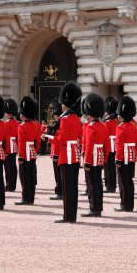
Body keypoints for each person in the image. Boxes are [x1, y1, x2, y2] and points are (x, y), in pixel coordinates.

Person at [54, 82, 82, 224]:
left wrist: (50, 138)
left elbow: (62, 139)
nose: (61, 106)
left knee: (67, 188)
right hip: (75, 155)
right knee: (73, 187)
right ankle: (72, 215)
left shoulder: (64, 119)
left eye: (63, 104)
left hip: (67, 155)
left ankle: (67, 216)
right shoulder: (77, 119)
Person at [81, 93, 110, 217]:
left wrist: (86, 162)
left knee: (92, 184)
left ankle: (94, 209)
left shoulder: (90, 127)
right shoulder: (103, 126)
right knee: (98, 182)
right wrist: (105, 158)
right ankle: (98, 208)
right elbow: (107, 146)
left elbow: (88, 146)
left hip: (91, 158)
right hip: (99, 157)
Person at [114, 95, 137, 212]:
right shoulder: (134, 127)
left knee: (123, 182)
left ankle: (124, 204)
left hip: (123, 157)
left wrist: (118, 159)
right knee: (129, 181)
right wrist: (133, 155)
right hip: (131, 156)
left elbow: (119, 145)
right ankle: (130, 205)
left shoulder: (120, 127)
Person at [15, 96, 41, 205]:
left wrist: (20, 156)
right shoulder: (35, 125)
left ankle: (26, 198)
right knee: (31, 176)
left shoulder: (22, 126)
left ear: (23, 114)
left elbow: (21, 143)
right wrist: (34, 150)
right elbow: (38, 141)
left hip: (24, 153)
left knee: (24, 177)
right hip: (32, 152)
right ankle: (31, 198)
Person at [42, 98, 63, 200]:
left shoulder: (61, 124)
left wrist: (47, 138)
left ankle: (60, 192)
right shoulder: (56, 124)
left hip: (58, 153)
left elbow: (58, 140)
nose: (54, 116)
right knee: (58, 173)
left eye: (56, 114)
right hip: (56, 152)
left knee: (59, 174)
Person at [103, 96, 118, 193]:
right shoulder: (116, 122)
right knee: (112, 167)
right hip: (115, 146)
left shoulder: (107, 123)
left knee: (107, 167)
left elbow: (104, 136)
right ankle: (112, 186)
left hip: (108, 146)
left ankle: (109, 186)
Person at [4, 98, 19, 192]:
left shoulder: (7, 123)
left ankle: (9, 185)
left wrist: (5, 150)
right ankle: (12, 185)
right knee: (13, 166)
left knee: (8, 167)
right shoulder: (17, 123)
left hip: (9, 146)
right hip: (14, 146)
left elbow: (6, 138)